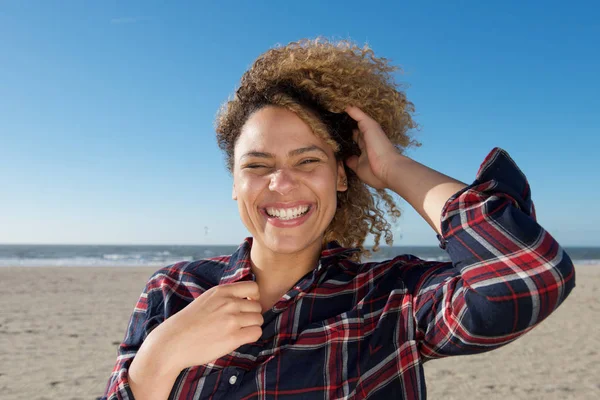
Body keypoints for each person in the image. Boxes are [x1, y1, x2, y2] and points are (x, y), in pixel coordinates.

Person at [101, 38, 575, 400]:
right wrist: (161, 355)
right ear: (234, 183)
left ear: (342, 177)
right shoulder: (174, 292)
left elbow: (528, 276)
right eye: (257, 165)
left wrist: (394, 169)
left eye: (307, 161)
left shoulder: (394, 301)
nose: (281, 184)